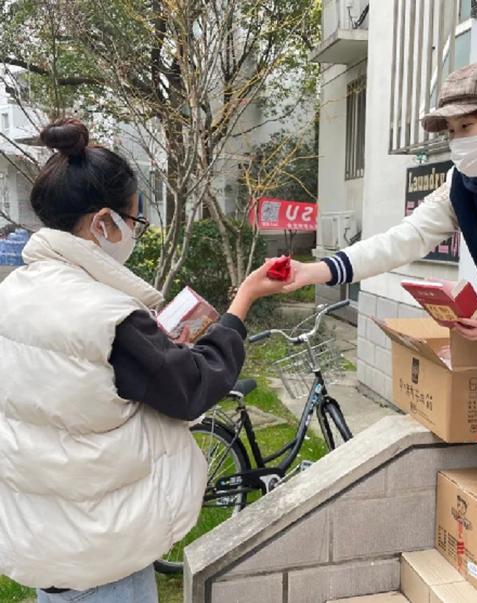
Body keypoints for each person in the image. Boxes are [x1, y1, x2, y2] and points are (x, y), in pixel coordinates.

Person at [285, 60, 477, 603]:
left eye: (465, 127)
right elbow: (400, 240)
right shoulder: (463, 186)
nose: (455, 142)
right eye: (450, 131)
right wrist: (318, 270)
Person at [0, 118, 287, 602]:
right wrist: (244, 303)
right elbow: (193, 385)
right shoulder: (107, 316)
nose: (134, 232)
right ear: (103, 223)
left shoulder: (14, 292)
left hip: (42, 537)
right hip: (103, 552)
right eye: (135, 220)